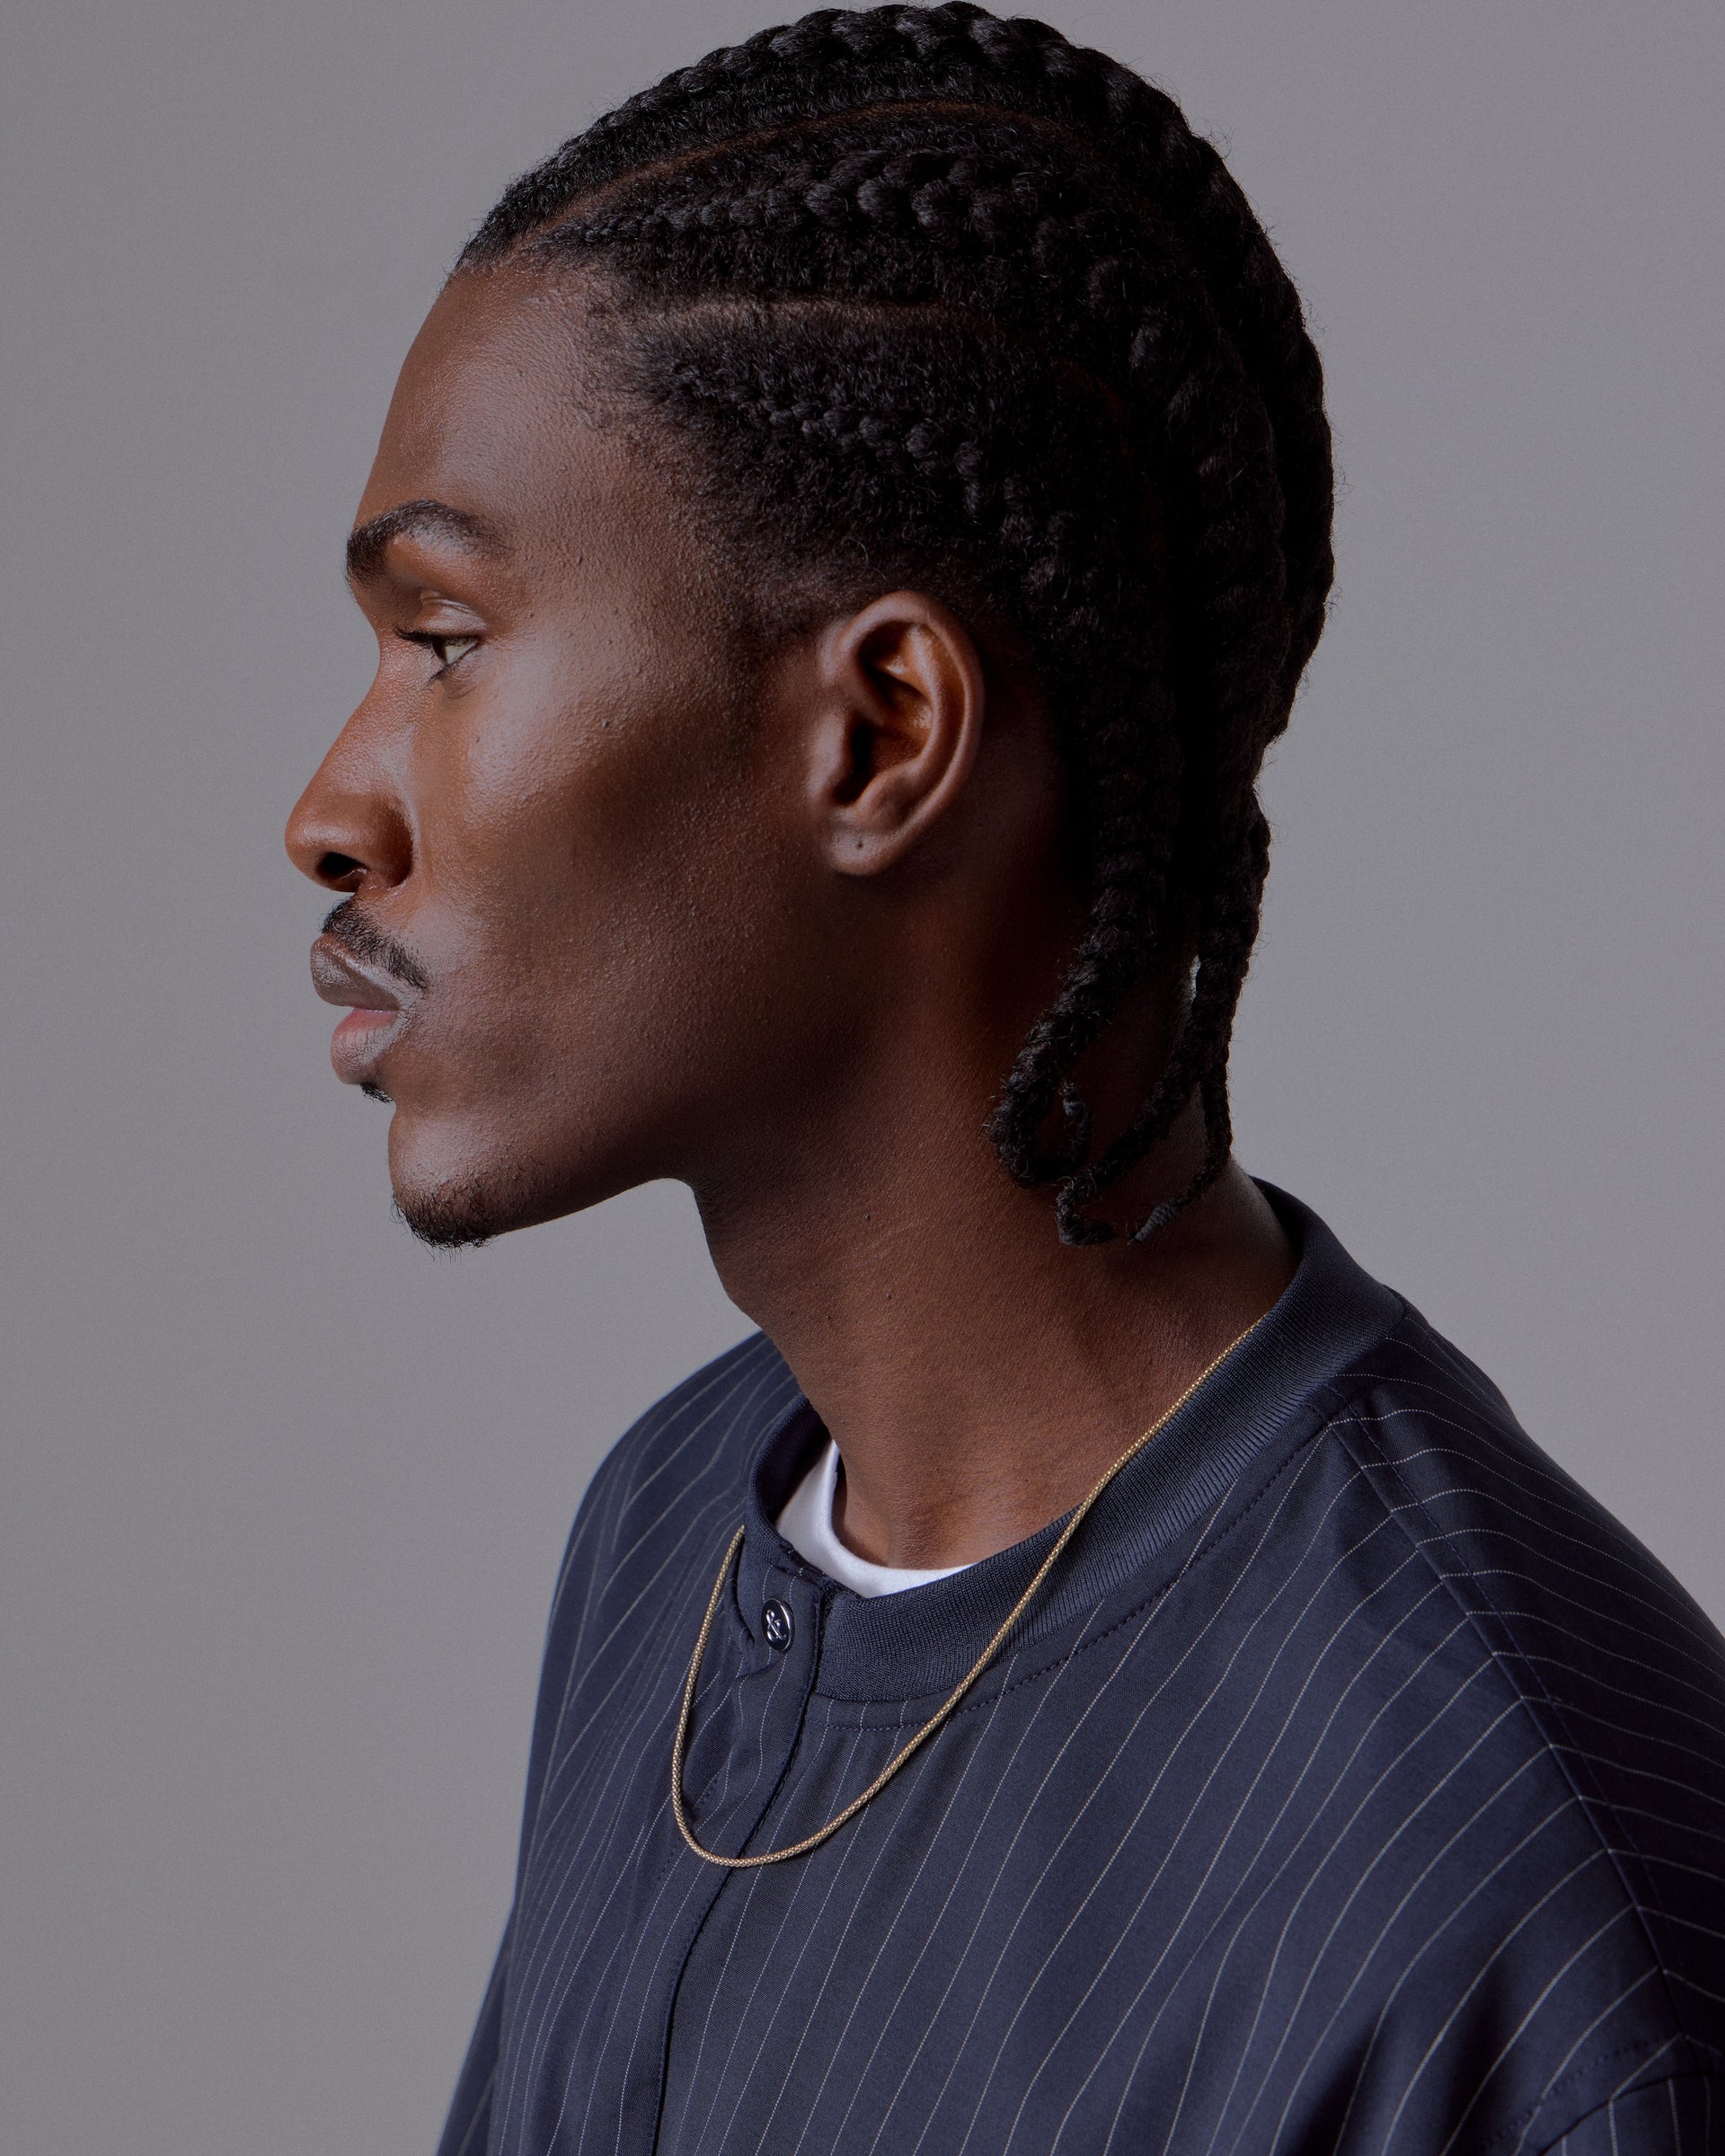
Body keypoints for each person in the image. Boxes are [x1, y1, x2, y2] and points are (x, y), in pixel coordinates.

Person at [285, 7, 1725, 2150]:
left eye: (446, 640)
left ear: (882, 733)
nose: (329, 810)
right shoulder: (675, 1536)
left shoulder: (1500, 1882)